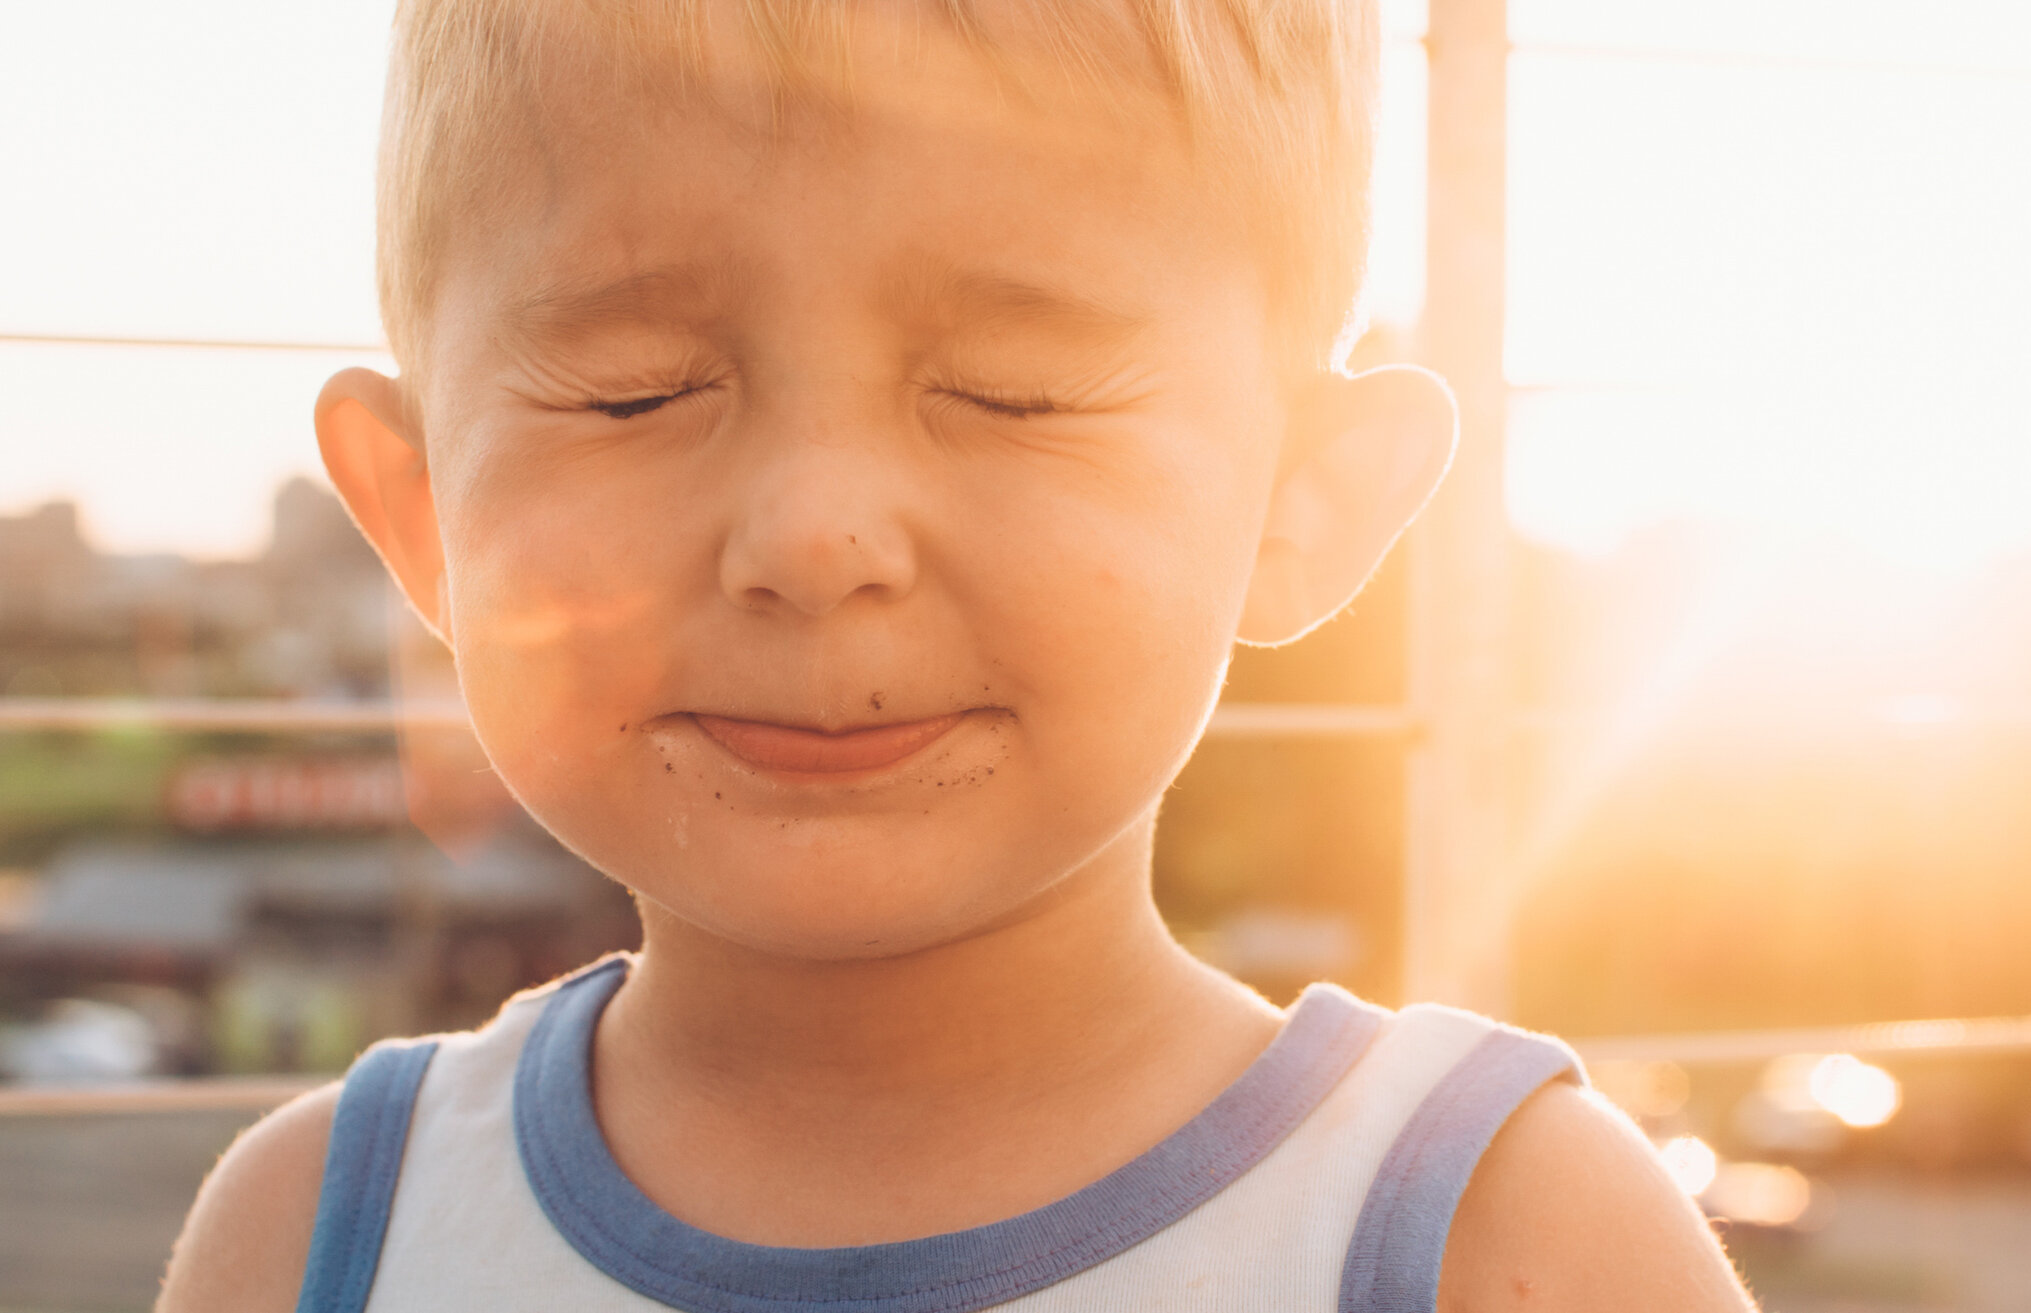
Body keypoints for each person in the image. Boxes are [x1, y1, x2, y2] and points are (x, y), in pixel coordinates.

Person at [159, 2, 1754, 1309]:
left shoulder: (1501, 1241)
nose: (814, 534)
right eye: (633, 391)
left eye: (1013, 391)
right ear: (421, 511)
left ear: (1301, 501)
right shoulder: (308, 1242)